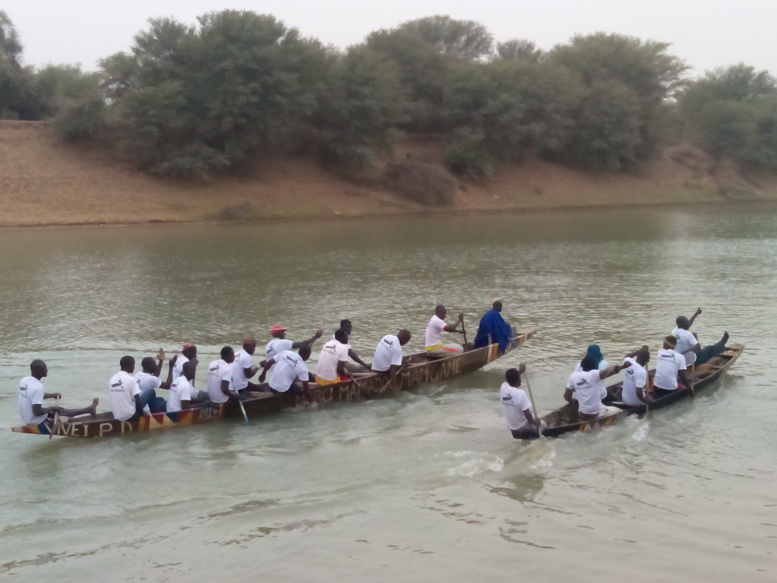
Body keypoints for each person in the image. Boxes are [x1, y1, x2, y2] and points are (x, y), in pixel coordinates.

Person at [18, 359, 98, 428]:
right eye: (44, 368)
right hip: (36, 421)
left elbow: (33, 396)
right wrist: (53, 408)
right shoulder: (38, 387)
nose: (47, 370)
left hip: (27, 418)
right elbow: (37, 412)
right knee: (75, 421)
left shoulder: (25, 381)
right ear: (39, 372)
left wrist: (52, 395)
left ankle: (89, 409)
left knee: (61, 410)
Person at [565, 357, 631, 422]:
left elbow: (566, 396)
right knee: (621, 412)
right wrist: (623, 367)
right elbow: (611, 370)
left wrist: (572, 401)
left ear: (582, 366)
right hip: (595, 414)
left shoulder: (573, 376)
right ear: (595, 366)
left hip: (582, 413)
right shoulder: (593, 374)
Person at [109, 356, 166, 422]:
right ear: (129, 366)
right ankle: (157, 414)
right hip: (129, 415)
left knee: (160, 399)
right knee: (151, 391)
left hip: (116, 414)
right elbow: (138, 401)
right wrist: (143, 415)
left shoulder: (112, 379)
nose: (134, 367)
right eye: (133, 365)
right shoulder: (131, 379)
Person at [501, 364, 545, 438]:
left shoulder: (503, 387)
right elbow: (527, 414)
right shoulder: (520, 393)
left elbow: (512, 377)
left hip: (512, 427)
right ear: (518, 379)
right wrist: (535, 422)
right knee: (544, 425)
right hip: (521, 427)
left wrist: (520, 371)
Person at [135, 349, 176, 413]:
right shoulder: (150, 379)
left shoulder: (138, 374)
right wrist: (171, 367)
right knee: (169, 403)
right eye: (154, 364)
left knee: (161, 399)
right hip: (146, 409)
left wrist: (161, 361)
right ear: (149, 366)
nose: (156, 366)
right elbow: (168, 386)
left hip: (140, 403)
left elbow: (155, 376)